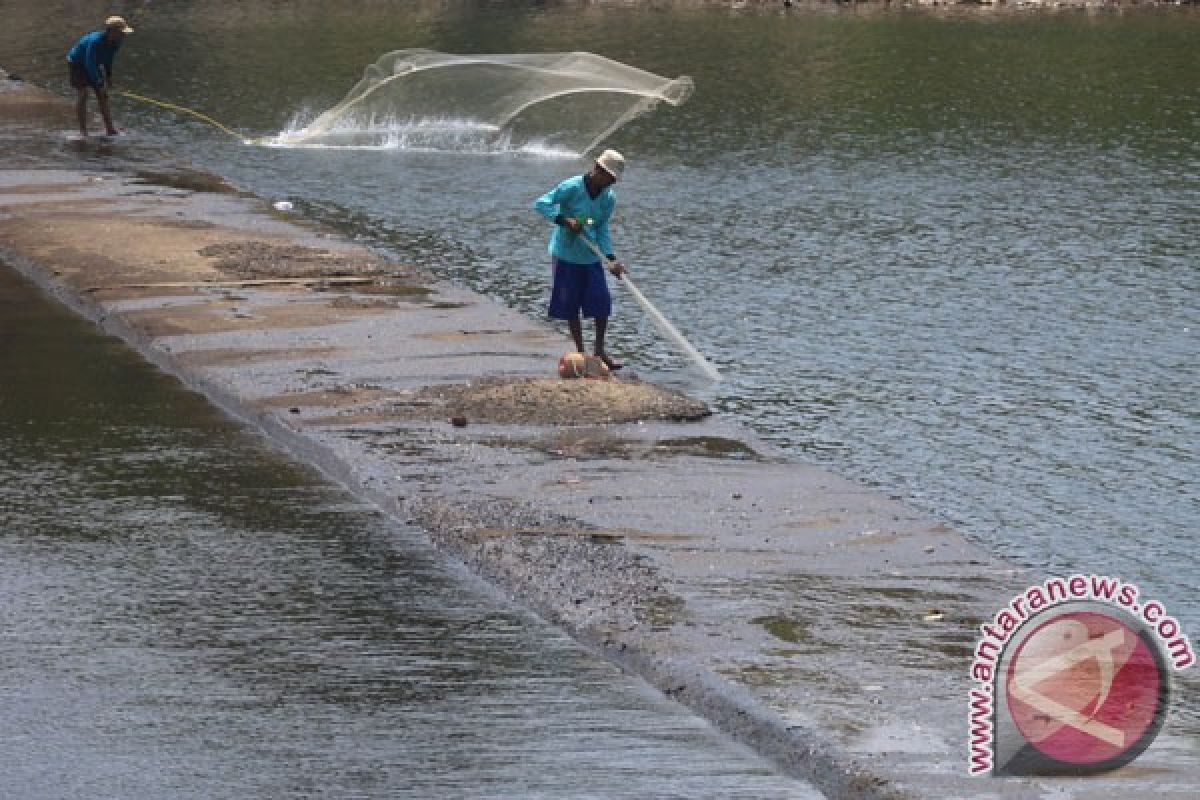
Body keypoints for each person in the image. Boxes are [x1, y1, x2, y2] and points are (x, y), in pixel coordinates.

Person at [534, 149, 629, 371]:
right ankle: (581, 351)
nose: (611, 183)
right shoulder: (571, 187)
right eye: (610, 178)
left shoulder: (608, 198)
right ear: (598, 169)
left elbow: (602, 228)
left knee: (601, 301)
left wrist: (611, 258)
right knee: (571, 305)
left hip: (590, 255)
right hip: (566, 254)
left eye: (614, 180)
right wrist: (564, 220)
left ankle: (599, 350)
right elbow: (541, 203)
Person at [67, 16, 134, 137]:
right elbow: (89, 63)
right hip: (77, 62)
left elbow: (108, 60)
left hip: (93, 64)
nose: (124, 35)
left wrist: (108, 78)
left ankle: (110, 129)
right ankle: (83, 132)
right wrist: (99, 82)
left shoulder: (116, 43)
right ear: (112, 31)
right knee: (83, 94)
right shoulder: (95, 42)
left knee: (103, 95)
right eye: (121, 32)